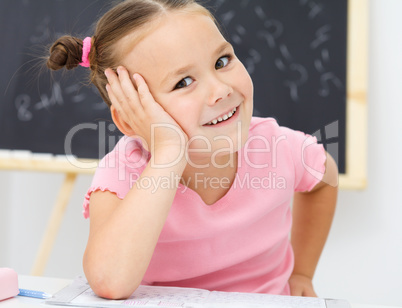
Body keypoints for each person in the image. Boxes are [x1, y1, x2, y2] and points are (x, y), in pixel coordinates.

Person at [46, 0, 338, 300]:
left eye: (222, 61)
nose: (220, 90)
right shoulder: (124, 170)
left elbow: (324, 176)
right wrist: (168, 154)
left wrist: (302, 273)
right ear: (129, 117)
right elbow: (109, 282)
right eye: (183, 82)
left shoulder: (277, 146)